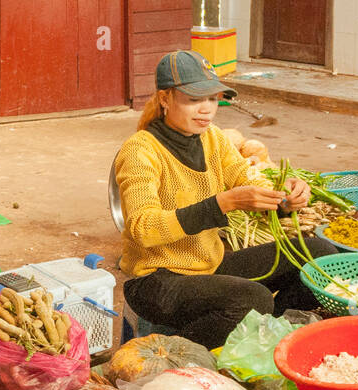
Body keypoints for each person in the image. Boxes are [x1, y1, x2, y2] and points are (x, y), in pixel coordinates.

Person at [115, 50, 337, 348]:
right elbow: (143, 228)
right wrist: (223, 203)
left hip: (210, 263)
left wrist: (284, 197)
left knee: (320, 253)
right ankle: (168, 354)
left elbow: (249, 182)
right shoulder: (140, 150)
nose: (206, 109)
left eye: (211, 98)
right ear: (165, 99)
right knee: (252, 299)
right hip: (157, 280)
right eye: (194, 99)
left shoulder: (214, 139)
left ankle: (269, 340)